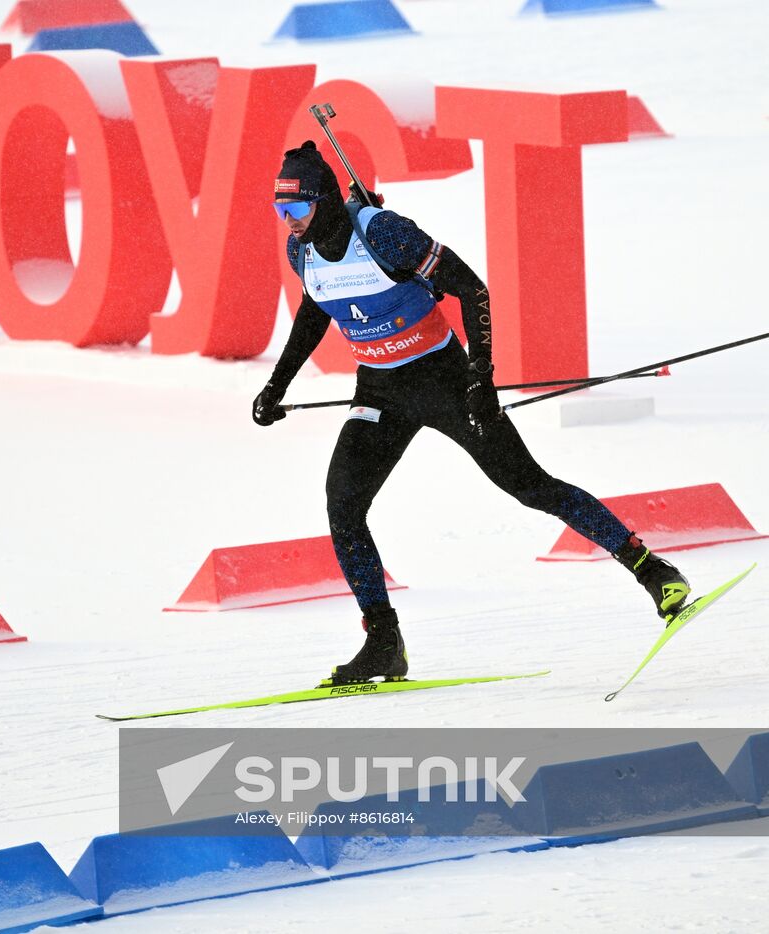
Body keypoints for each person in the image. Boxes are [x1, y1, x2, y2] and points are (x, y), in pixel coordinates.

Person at [254, 140, 691, 685]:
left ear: (325, 201)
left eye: (295, 209)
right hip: (380, 393)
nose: (287, 222)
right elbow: (315, 311)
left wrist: (480, 378)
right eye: (279, 211)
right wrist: (276, 385)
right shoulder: (303, 252)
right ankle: (384, 643)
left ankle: (652, 570)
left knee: (530, 487)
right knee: (343, 504)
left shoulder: (385, 232)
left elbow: (471, 289)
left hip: (443, 380)